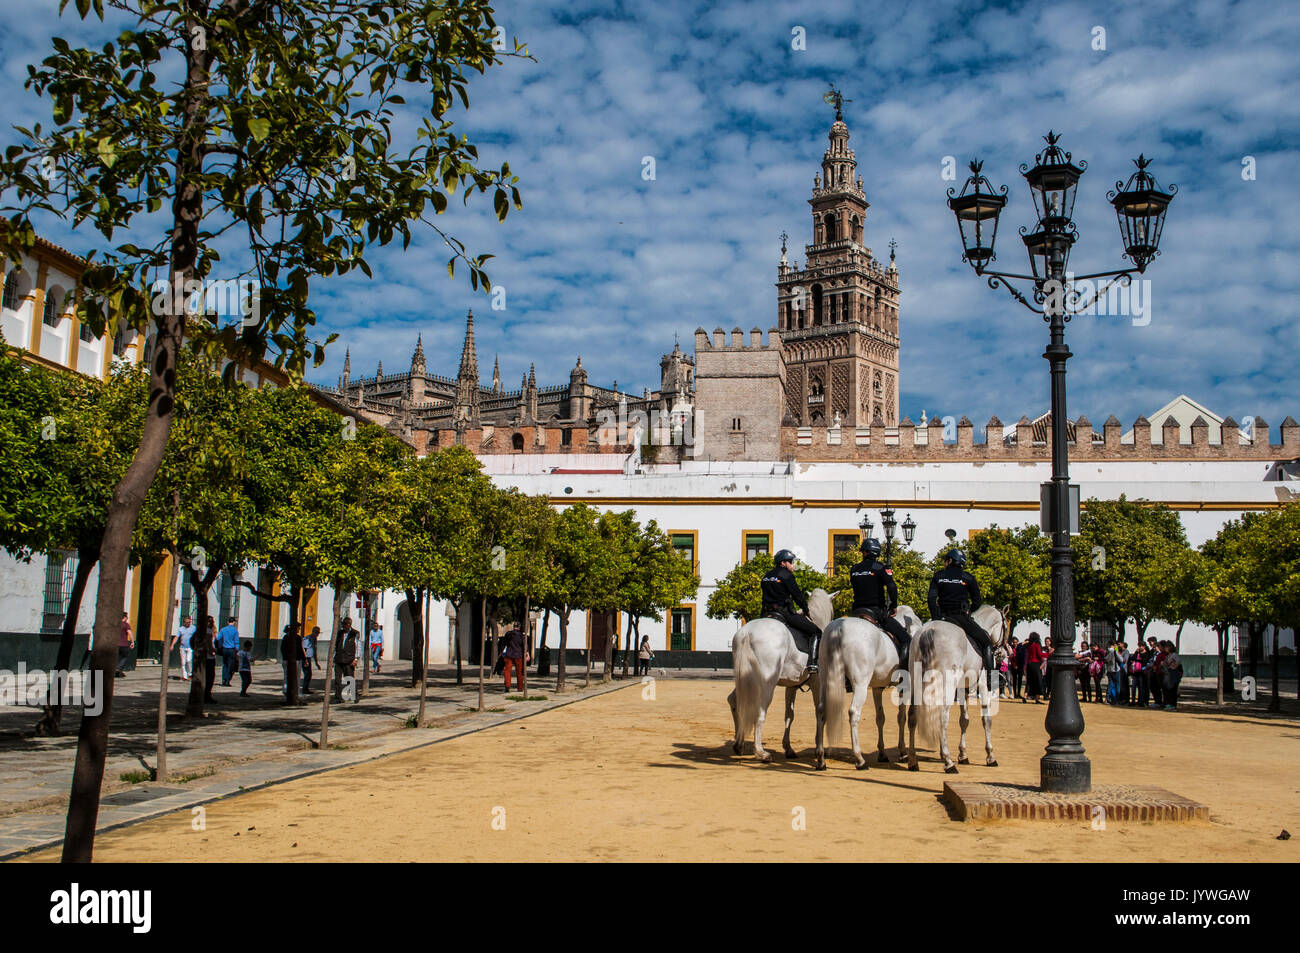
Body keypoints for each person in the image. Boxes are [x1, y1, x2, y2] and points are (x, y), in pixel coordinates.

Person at [927, 549, 994, 677]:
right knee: (987, 642)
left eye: (946, 560)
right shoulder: (968, 577)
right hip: (960, 617)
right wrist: (969, 611)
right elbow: (977, 601)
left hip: (942, 617)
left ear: (950, 560)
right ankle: (994, 679)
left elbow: (931, 599)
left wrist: (936, 617)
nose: (945, 563)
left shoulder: (938, 576)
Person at [849, 538, 912, 669]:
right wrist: (893, 605)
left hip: (856, 612)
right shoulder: (881, 568)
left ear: (864, 552)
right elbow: (892, 587)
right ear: (877, 553)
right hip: (876, 612)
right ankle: (904, 672)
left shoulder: (854, 569)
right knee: (906, 639)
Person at [760, 549, 822, 674]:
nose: (793, 565)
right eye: (791, 562)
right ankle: (813, 663)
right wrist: (805, 609)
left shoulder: (766, 576)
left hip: (766, 613)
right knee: (816, 632)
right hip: (783, 613)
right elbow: (797, 595)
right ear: (783, 563)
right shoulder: (786, 575)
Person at [333, 617, 359, 703]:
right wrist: (334, 658)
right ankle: (337, 697)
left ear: (349, 624)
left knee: (350, 678)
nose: (343, 626)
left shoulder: (355, 633)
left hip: (349, 659)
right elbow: (336, 645)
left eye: (345, 624)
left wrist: (355, 658)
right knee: (337, 680)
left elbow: (358, 646)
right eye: (342, 624)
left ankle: (354, 696)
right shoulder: (340, 633)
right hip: (339, 659)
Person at [500, 622, 529, 693]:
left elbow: (503, 643)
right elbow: (524, 646)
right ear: (519, 627)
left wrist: (501, 652)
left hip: (509, 654)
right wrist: (527, 653)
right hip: (518, 655)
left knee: (507, 671)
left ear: (513, 627)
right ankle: (520, 687)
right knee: (519, 672)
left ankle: (507, 685)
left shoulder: (508, 634)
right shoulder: (521, 636)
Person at [280, 623, 302, 701]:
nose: (299, 629)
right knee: (296, 676)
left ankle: (286, 690)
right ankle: (296, 691)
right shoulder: (297, 638)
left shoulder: (285, 637)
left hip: (286, 659)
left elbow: (282, 649)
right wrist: (303, 659)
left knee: (286, 676)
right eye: (298, 628)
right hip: (295, 660)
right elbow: (300, 649)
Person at [171, 614, 196, 681]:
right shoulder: (181, 629)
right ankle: (184, 676)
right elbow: (176, 637)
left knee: (188, 660)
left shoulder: (193, 628)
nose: (188, 623)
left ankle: (190, 674)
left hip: (190, 647)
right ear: (184, 622)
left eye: (189, 622)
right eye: (186, 622)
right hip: (182, 647)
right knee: (183, 662)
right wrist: (172, 645)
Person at [218, 616, 240, 686]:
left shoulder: (223, 630)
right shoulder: (235, 631)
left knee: (225, 665)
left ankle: (224, 679)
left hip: (225, 649)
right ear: (234, 622)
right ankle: (228, 680)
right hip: (232, 649)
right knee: (231, 665)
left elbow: (218, 638)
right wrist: (237, 650)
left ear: (228, 622)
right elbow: (236, 641)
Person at [1023, 632, 1045, 703]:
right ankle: (1037, 698)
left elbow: (1022, 644)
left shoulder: (1028, 645)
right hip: (1036, 664)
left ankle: (1025, 696)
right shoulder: (1037, 645)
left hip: (1029, 664)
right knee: (1038, 681)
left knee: (1029, 681)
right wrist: (1049, 654)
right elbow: (1039, 654)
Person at [1161, 641, 1183, 711]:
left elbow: (1178, 661)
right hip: (1168, 673)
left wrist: (1174, 667)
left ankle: (1173, 705)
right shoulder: (1168, 655)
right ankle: (1169, 704)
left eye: (1166, 647)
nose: (1165, 649)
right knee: (1168, 689)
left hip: (1173, 673)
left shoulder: (1173, 655)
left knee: (1173, 689)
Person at [301, 625, 320, 695]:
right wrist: (305, 659)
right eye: (316, 632)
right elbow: (304, 649)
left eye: (318, 632)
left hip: (309, 658)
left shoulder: (314, 639)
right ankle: (304, 689)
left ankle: (306, 688)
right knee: (307, 674)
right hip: (306, 658)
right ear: (313, 632)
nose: (317, 634)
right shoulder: (307, 639)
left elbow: (314, 651)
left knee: (309, 674)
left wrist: (316, 663)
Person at [115, 612, 134, 677]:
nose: (127, 618)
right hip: (124, 644)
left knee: (116, 657)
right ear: (124, 617)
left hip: (115, 644)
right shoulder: (126, 625)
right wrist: (132, 642)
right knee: (124, 657)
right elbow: (130, 633)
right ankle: (119, 668)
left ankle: (115, 668)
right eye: (127, 617)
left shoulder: (116, 624)